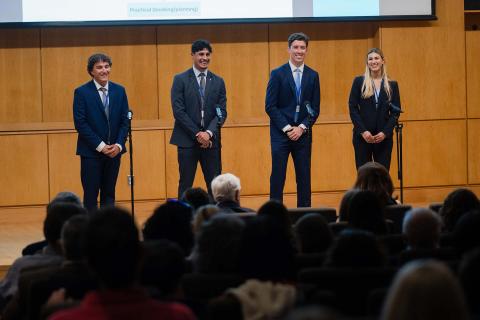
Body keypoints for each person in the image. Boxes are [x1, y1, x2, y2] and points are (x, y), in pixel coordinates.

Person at [265, 32, 320, 208]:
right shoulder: (277, 74)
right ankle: (274, 215)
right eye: (295, 47)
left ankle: (304, 213)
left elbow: (314, 109)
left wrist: (302, 127)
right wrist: (288, 128)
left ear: (306, 50)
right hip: (281, 134)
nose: (299, 51)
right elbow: (270, 106)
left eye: (302, 47)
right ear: (289, 49)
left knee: (304, 177)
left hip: (303, 134)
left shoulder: (313, 75)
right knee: (278, 176)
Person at [170, 39, 227, 198]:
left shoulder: (218, 81)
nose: (205, 57)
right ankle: (182, 219)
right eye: (201, 54)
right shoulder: (180, 79)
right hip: (187, 140)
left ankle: (216, 219)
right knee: (185, 183)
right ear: (193, 55)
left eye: (208, 54)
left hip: (211, 142)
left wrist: (208, 133)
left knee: (215, 184)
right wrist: (198, 134)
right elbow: (178, 111)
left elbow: (221, 112)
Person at [73, 53, 129, 212]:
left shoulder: (119, 91)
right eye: (99, 67)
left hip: (114, 152)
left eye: (106, 66)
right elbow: (80, 123)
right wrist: (101, 146)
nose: (104, 70)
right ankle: (90, 233)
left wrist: (118, 145)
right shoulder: (82, 92)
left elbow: (125, 121)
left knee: (109, 194)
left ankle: (107, 231)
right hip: (91, 153)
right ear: (91, 71)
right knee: (91, 196)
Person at [348, 48, 401, 170]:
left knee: (381, 177)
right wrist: (363, 131)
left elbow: (396, 112)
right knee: (364, 177)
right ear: (367, 63)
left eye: (376, 58)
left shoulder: (392, 85)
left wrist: (385, 133)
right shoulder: (359, 81)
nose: (373, 61)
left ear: (383, 61)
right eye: (370, 59)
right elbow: (353, 108)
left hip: (383, 138)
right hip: (362, 138)